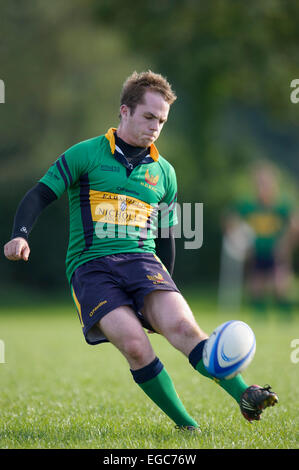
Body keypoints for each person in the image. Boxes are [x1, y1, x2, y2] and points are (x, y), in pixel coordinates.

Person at [4, 71, 278, 432]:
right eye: (149, 117)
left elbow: (167, 234)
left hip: (143, 262)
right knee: (134, 345)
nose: (155, 127)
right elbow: (39, 194)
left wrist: (167, 288)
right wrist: (20, 235)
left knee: (181, 325)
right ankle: (187, 426)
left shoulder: (165, 173)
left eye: (162, 121)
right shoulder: (85, 154)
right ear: (125, 111)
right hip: (91, 268)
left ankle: (246, 394)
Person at [224, 161, 298, 313]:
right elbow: (230, 220)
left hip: (276, 253)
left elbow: (294, 226)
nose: (262, 187)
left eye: (266, 183)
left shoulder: (282, 205)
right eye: (259, 183)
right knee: (255, 287)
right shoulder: (248, 205)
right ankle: (259, 321)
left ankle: (286, 321)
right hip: (256, 252)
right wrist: (239, 243)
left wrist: (286, 245)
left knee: (280, 286)